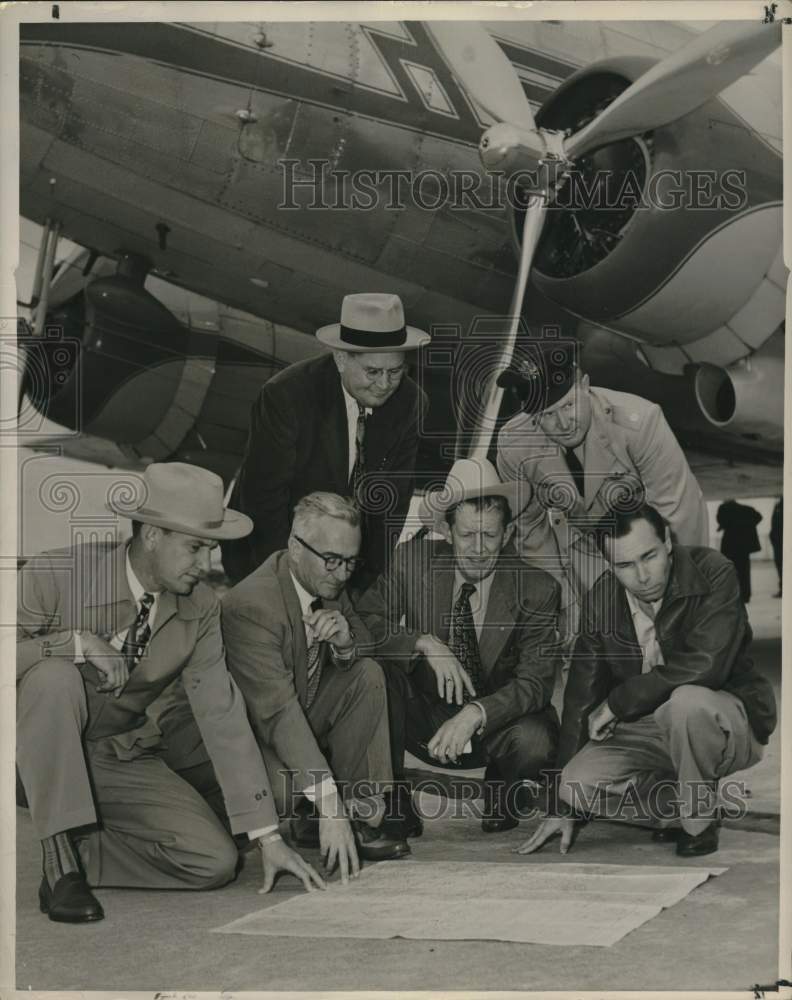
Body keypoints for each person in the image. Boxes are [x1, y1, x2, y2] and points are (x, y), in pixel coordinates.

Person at [16, 463, 324, 925]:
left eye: (211, 549)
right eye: (196, 548)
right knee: (53, 678)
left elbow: (221, 715)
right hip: (29, 754)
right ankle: (59, 860)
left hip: (117, 753)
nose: (207, 566)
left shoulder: (199, 608)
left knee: (213, 863)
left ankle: (81, 847)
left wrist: (269, 838)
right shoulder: (56, 573)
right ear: (153, 535)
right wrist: (73, 644)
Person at [517, 504, 776, 859]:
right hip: (649, 729)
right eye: (624, 565)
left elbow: (707, 664)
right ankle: (674, 803)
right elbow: (580, 698)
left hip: (722, 719)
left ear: (667, 541)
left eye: (649, 556)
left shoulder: (713, 571)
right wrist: (562, 805)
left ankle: (697, 822)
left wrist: (620, 701)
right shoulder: (601, 601)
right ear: (609, 564)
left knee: (685, 702)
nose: (642, 576)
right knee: (575, 786)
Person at [357, 458, 562, 833]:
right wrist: (422, 642)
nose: (479, 549)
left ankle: (502, 780)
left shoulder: (539, 588)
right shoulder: (411, 562)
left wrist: (476, 713)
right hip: (426, 715)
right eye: (467, 535)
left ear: (509, 532)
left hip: (496, 725)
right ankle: (393, 794)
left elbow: (536, 682)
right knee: (374, 673)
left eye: (490, 535)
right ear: (447, 532)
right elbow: (363, 624)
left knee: (537, 743)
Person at [221, 492, 410, 884]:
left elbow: (364, 646)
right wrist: (328, 803)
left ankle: (362, 815)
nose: (341, 574)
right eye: (332, 560)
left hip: (300, 717)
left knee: (366, 673)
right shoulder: (252, 605)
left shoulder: (328, 585)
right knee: (283, 792)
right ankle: (292, 814)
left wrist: (344, 646)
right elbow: (278, 714)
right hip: (258, 737)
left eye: (350, 563)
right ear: (294, 546)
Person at [496, 338, 708, 640]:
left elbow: (678, 511)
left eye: (569, 405)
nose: (562, 423)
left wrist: (680, 597)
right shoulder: (514, 446)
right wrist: (558, 602)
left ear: (584, 384)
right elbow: (530, 531)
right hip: (585, 551)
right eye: (546, 416)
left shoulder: (640, 422)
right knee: (595, 648)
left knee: (676, 638)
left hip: (644, 547)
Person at [222, 293, 430, 593]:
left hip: (345, 565)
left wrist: (358, 587)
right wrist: (288, 589)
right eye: (372, 372)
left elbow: (391, 508)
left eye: (395, 371)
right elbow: (264, 502)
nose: (385, 385)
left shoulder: (411, 404)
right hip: (266, 556)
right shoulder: (286, 396)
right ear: (341, 358)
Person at [716, 498, 763, 602]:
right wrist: (747, 526)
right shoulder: (748, 510)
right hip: (743, 547)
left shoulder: (724, 508)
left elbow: (721, 521)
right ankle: (746, 595)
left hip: (729, 546)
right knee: (744, 572)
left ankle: (732, 595)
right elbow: (759, 517)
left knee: (730, 572)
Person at [770, 497, 783, 597]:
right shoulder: (778, 506)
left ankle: (783, 588)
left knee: (780, 565)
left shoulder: (778, 507)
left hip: (779, 542)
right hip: (778, 541)